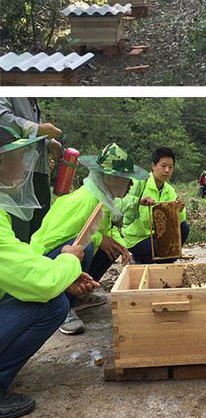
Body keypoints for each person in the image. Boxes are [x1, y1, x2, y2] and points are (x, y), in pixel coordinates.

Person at [0, 124, 99, 418]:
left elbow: (17, 260)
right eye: (19, 156)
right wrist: (67, 265)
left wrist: (64, 275)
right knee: (53, 303)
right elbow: (39, 277)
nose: (25, 163)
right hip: (46, 267)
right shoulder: (81, 201)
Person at [30, 143, 148, 335]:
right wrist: (98, 240)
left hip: (61, 260)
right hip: (44, 263)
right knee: (85, 247)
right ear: (109, 178)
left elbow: (107, 230)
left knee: (109, 248)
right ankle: (63, 305)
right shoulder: (83, 201)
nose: (131, 185)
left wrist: (122, 247)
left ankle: (80, 296)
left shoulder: (101, 199)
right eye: (127, 180)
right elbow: (51, 242)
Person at [0, 98, 63, 242]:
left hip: (38, 173)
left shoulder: (32, 100)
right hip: (14, 176)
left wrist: (49, 142)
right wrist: (38, 129)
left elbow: (29, 127)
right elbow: (3, 119)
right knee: (18, 231)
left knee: (39, 232)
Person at [120, 147, 190, 264]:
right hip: (138, 237)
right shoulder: (138, 183)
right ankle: (141, 257)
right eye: (163, 166)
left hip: (156, 235)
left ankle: (149, 260)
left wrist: (179, 210)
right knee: (166, 252)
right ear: (153, 166)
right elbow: (120, 202)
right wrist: (139, 201)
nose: (167, 170)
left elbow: (177, 221)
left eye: (171, 167)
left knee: (184, 228)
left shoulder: (169, 190)